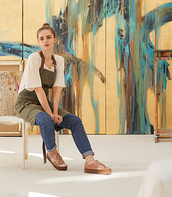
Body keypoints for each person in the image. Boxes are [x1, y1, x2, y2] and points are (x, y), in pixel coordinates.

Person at [14, 23, 111, 174]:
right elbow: (38, 90)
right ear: (38, 42)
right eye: (41, 38)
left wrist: (54, 111)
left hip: (43, 102)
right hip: (26, 102)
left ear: (55, 40)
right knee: (46, 119)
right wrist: (50, 114)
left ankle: (90, 161)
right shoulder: (34, 58)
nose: (45, 41)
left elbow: (57, 88)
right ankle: (52, 152)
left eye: (48, 37)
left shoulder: (59, 60)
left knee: (75, 121)